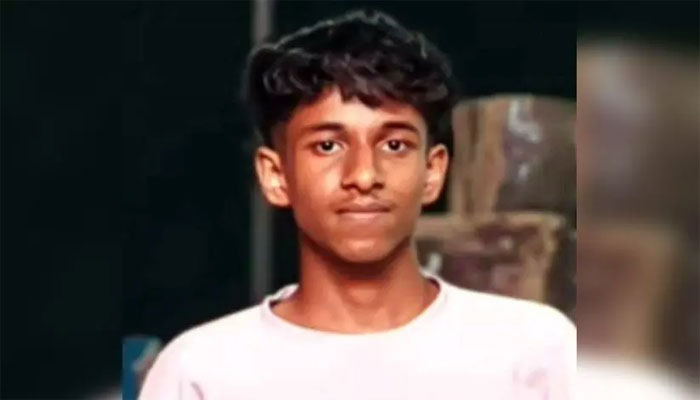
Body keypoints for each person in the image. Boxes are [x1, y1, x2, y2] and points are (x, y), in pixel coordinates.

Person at [139, 9, 575, 400]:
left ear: (433, 171)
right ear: (276, 176)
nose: (364, 175)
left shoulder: (536, 351)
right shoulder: (202, 372)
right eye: (328, 146)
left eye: (394, 144)